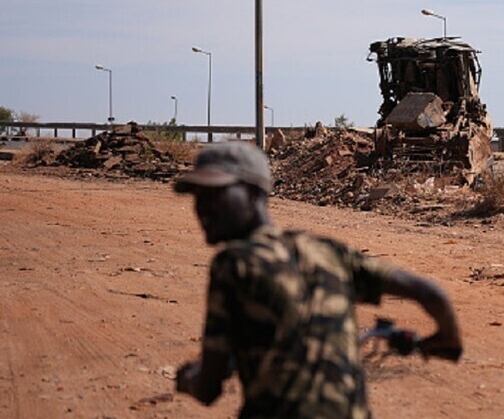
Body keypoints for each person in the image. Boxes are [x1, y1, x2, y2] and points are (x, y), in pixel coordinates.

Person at [173, 141, 462, 418]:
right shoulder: (327, 251)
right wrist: (447, 340)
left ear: (253, 193)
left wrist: (187, 379)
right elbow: (430, 293)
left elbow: (209, 389)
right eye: (198, 197)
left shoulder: (234, 263)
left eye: (214, 195)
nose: (202, 208)